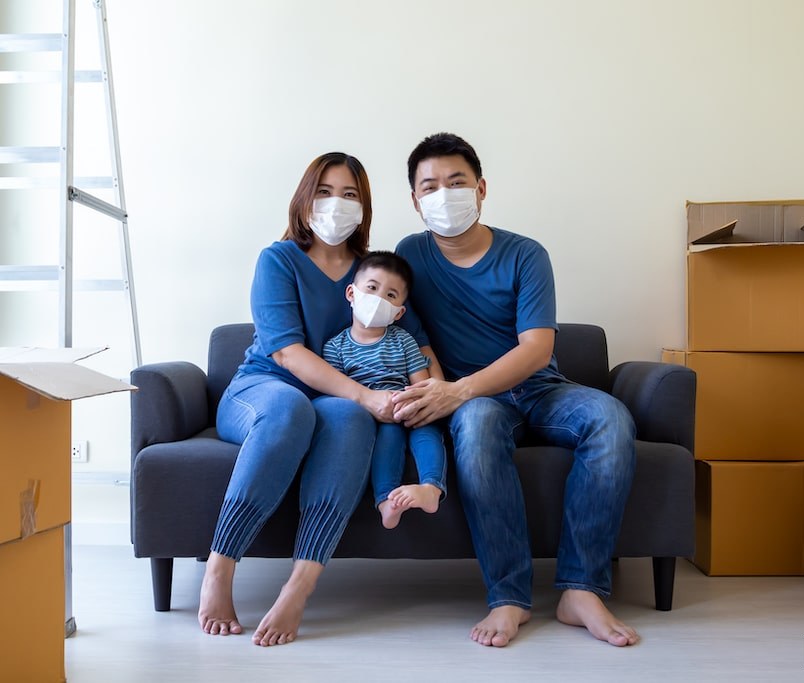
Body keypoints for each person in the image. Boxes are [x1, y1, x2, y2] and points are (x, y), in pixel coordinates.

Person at [393, 132, 639, 648]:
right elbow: (411, 337)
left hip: (538, 387)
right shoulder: (410, 255)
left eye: (456, 182)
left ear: (481, 189)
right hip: (477, 403)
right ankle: (508, 596)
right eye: (430, 186)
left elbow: (535, 348)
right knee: (479, 425)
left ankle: (580, 590)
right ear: (415, 201)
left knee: (610, 417)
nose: (444, 195)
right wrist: (441, 391)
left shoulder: (526, 253)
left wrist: (456, 392)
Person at [200, 152, 431, 647]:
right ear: (305, 199)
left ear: (364, 208)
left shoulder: (372, 273)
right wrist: (368, 395)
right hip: (263, 392)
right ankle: (219, 569)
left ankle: (300, 586)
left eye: (349, 195)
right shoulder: (278, 259)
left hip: (332, 405)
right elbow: (285, 353)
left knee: (348, 417)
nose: (336, 203)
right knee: (293, 407)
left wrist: (432, 390)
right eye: (325, 191)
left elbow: (418, 340)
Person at [322, 250, 447, 529]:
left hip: (407, 405)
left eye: (391, 295)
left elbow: (422, 383)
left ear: (399, 311)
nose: (379, 298)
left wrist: (413, 405)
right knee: (388, 438)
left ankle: (431, 489)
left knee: (427, 431)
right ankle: (385, 502)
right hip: (371, 414)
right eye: (372, 288)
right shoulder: (336, 347)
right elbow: (337, 392)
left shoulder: (404, 341)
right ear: (352, 293)